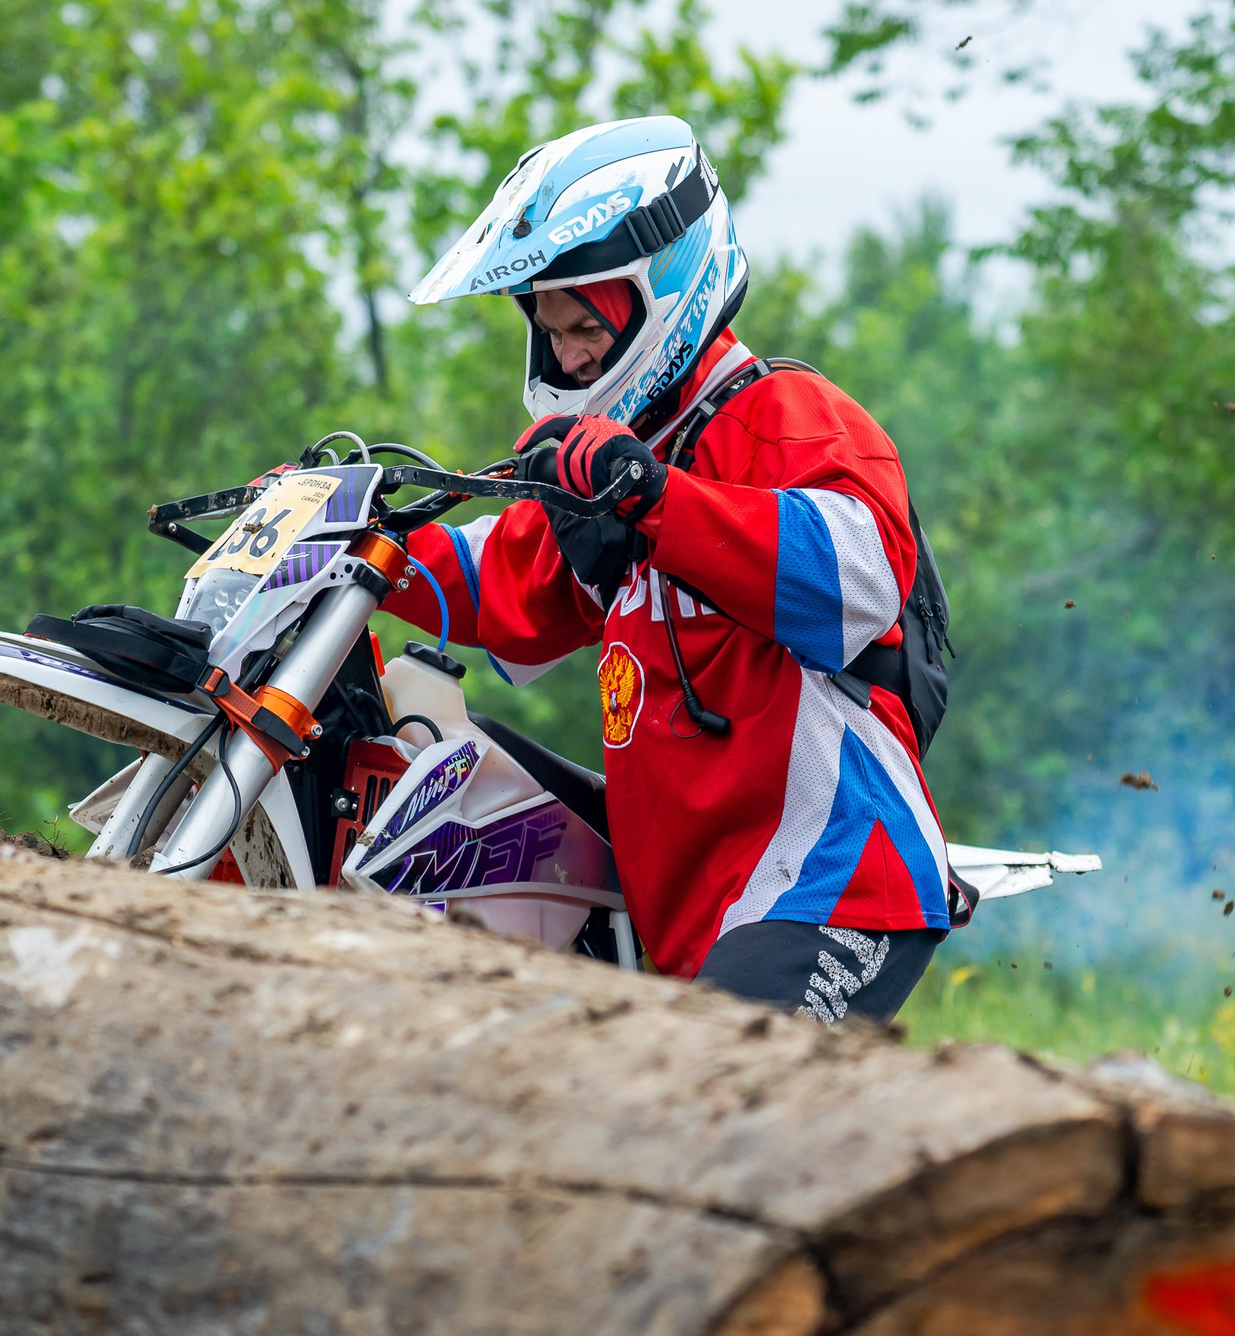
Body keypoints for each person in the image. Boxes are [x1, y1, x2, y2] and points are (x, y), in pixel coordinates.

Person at [388, 115, 950, 1023]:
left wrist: (655, 500)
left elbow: (856, 581)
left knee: (714, 1125)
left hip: (830, 883)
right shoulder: (616, 471)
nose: (565, 353)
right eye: (549, 327)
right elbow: (502, 589)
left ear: (663, 292)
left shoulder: (781, 412)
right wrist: (352, 539)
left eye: (584, 326)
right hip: (698, 912)